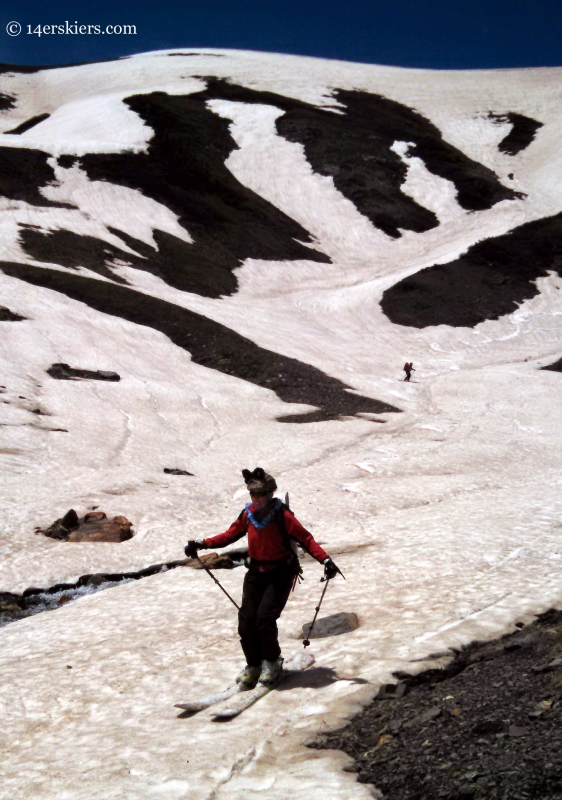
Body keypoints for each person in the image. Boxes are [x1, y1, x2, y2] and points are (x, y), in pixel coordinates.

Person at [185, 467, 342, 688]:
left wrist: (325, 560)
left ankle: (272, 663)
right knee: (246, 620)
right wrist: (203, 544)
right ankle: (253, 665)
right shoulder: (248, 514)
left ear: (269, 494)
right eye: (253, 494)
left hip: (280, 574)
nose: (256, 499)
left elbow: (306, 539)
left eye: (260, 495)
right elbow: (229, 535)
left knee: (264, 620)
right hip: (255, 573)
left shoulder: (282, 515)